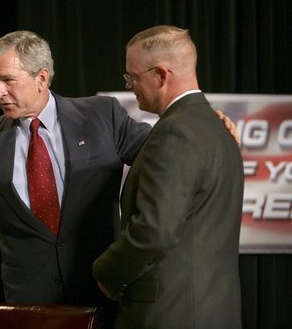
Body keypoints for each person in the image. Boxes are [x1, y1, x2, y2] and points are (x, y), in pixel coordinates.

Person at [0, 30, 239, 327]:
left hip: (100, 297)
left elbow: (169, 151)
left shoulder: (103, 116)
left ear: (42, 78)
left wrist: (206, 129)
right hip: (29, 305)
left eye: (8, 81)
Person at [93, 25, 244, 328]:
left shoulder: (176, 132)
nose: (129, 85)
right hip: (213, 311)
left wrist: (106, 273)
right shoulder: (217, 129)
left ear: (161, 75)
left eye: (132, 77)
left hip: (170, 314)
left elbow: (154, 229)